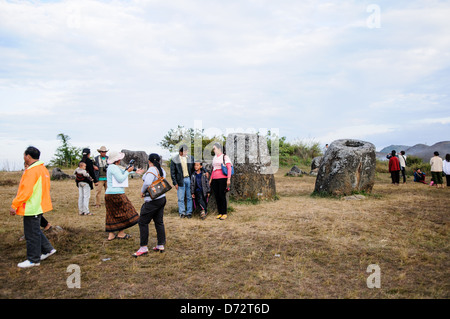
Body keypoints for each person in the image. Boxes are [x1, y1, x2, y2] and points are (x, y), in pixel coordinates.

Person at [10, 146, 56, 268]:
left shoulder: (32, 171)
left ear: (28, 156)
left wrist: (15, 205)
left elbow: (26, 191)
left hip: (32, 206)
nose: (24, 157)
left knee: (31, 233)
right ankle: (48, 249)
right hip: (39, 204)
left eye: (24, 155)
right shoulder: (43, 169)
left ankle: (33, 259)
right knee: (35, 231)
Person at [133, 154, 167, 257]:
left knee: (142, 222)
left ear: (149, 161)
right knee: (159, 222)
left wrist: (142, 191)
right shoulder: (161, 170)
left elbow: (147, 182)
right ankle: (160, 244)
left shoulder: (151, 170)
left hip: (152, 200)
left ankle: (143, 247)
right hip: (161, 197)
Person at [104, 151, 139, 241]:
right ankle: (121, 233)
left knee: (111, 213)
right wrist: (128, 172)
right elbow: (120, 178)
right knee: (125, 211)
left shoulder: (111, 167)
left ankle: (111, 235)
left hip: (109, 193)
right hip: (117, 193)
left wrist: (132, 171)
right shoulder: (114, 168)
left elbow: (122, 172)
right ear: (117, 160)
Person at [170, 144, 194, 218]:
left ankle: (189, 212)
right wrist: (175, 183)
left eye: (186, 151)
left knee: (189, 197)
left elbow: (195, 167)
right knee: (180, 198)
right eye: (184, 151)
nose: (186, 153)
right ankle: (182, 212)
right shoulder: (174, 159)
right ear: (180, 152)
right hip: (180, 180)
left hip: (189, 179)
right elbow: (172, 172)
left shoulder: (191, 158)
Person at [210, 143, 232, 220]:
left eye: (214, 148)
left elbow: (229, 168)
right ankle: (220, 213)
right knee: (217, 196)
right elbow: (213, 169)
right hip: (215, 179)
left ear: (219, 149)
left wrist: (228, 179)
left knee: (222, 195)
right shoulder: (214, 158)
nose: (213, 150)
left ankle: (224, 213)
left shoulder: (225, 157)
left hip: (222, 178)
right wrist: (210, 179)